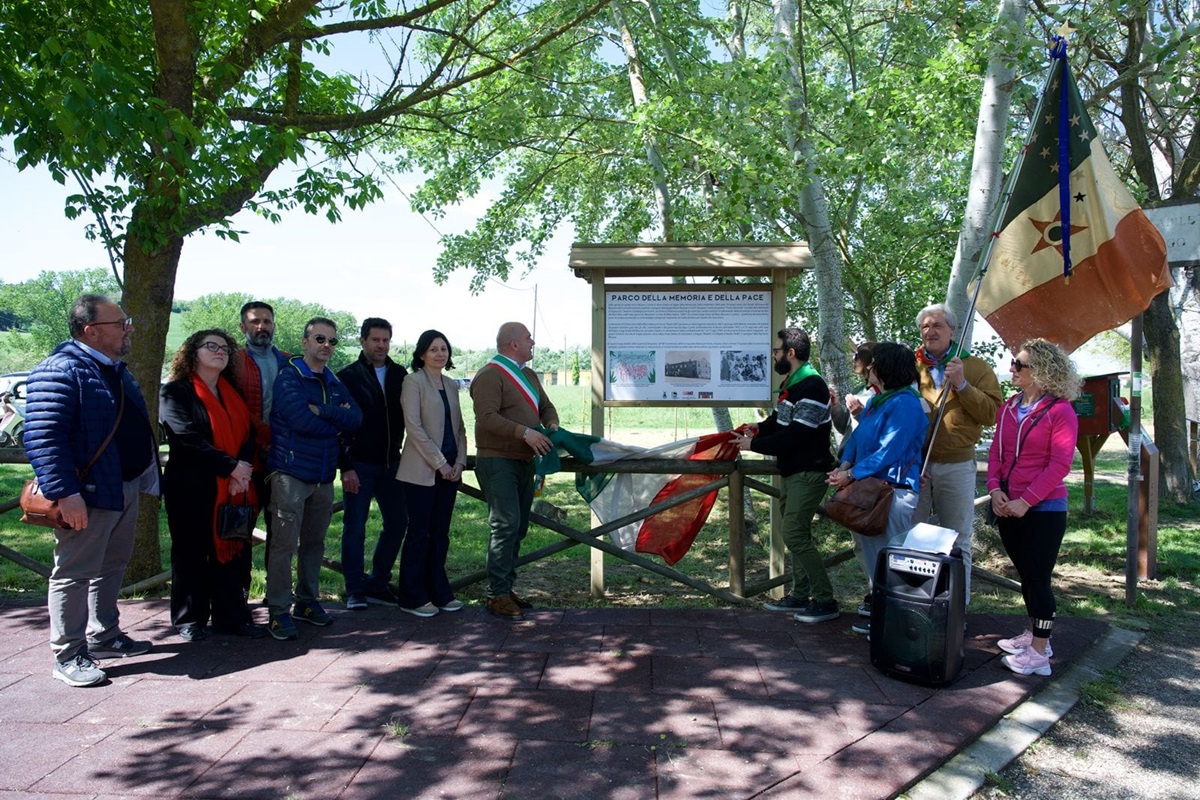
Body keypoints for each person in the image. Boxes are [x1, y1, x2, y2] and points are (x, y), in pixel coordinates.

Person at [24, 294, 159, 687]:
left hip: (123, 486)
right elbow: (44, 437)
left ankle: (105, 634)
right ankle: (68, 654)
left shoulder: (115, 369)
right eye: (120, 323)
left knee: (112, 565)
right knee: (74, 572)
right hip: (88, 492)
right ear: (91, 330)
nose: (128, 328)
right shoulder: (61, 370)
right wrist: (66, 494)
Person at [161, 330, 266, 640]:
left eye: (224, 348)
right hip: (191, 487)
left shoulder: (232, 392)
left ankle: (231, 617)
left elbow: (248, 434)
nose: (220, 352)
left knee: (233, 554)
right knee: (190, 553)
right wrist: (231, 467)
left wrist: (241, 471)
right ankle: (189, 620)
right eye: (212, 346)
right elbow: (186, 437)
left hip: (235, 486)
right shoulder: (175, 392)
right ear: (193, 353)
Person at [265, 317, 362, 640]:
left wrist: (326, 413)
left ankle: (307, 601)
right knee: (283, 545)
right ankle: (278, 610)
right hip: (291, 473)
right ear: (305, 341)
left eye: (332, 341)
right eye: (320, 339)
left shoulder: (333, 380)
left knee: (314, 544)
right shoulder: (289, 378)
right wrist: (335, 419)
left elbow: (356, 418)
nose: (327, 346)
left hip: (323, 475)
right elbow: (300, 420)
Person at [988, 339, 1080, 677]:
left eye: (1018, 364)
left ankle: (1040, 654)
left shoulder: (1061, 411)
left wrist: (1026, 501)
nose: (1011, 369)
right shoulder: (1009, 407)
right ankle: (1034, 634)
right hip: (1008, 506)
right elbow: (996, 456)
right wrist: (996, 491)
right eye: (1013, 362)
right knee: (1027, 577)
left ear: (1040, 371)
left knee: (1039, 579)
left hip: (1044, 508)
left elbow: (1059, 465)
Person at [733, 328, 839, 623]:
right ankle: (799, 594)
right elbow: (779, 421)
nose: (774, 356)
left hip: (808, 471)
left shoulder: (813, 385)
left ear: (790, 354)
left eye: (777, 351)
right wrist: (757, 429)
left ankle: (826, 599)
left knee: (794, 533)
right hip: (794, 471)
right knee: (797, 534)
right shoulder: (795, 382)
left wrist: (754, 444)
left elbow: (797, 435)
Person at [828, 342, 928, 638]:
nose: (867, 368)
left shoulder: (907, 402)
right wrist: (844, 463)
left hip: (893, 493)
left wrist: (850, 474)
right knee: (876, 561)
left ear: (885, 368)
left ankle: (898, 623)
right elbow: (859, 438)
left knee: (892, 560)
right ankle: (885, 617)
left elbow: (891, 451)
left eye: (872, 364)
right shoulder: (878, 401)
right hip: (872, 491)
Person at [913, 303, 1002, 608]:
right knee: (913, 537)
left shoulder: (974, 367)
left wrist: (962, 385)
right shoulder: (910, 365)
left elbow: (991, 413)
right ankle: (915, 605)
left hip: (957, 465)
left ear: (952, 329)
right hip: (917, 466)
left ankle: (956, 611)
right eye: (925, 326)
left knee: (957, 539)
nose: (930, 331)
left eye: (937, 325)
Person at [471, 321, 559, 620]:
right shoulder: (489, 374)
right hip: (498, 461)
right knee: (505, 525)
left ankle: (505, 588)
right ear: (513, 344)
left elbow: (546, 407)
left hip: (524, 461)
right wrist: (525, 433)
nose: (533, 341)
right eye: (528, 338)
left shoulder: (530, 375)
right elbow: (486, 418)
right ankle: (496, 594)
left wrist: (552, 426)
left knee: (518, 527)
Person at [336, 318, 408, 610]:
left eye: (385, 340)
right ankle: (355, 589)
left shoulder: (400, 375)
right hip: (360, 464)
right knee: (355, 527)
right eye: (375, 340)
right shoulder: (347, 377)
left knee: (398, 523)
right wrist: (346, 465)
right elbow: (338, 426)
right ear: (363, 341)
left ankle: (378, 583)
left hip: (393, 463)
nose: (381, 345)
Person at [396, 329, 468, 617]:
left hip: (451, 471)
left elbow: (460, 428)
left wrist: (459, 463)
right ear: (422, 353)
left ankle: (439, 591)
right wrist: (440, 463)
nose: (440, 353)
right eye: (433, 349)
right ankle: (411, 596)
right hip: (422, 471)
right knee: (419, 533)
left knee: (440, 534)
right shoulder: (412, 382)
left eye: (444, 348)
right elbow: (414, 428)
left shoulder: (451, 385)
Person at [237, 301, 288, 589]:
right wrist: (264, 434)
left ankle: (277, 594)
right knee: (240, 529)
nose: (261, 327)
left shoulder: (286, 361)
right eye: (255, 321)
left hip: (280, 458)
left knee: (280, 530)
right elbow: (237, 407)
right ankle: (239, 593)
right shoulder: (234, 361)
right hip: (245, 458)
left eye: (267, 321)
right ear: (243, 326)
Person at [828, 341, 878, 618]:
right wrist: (837, 406)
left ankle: (880, 594)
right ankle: (874, 590)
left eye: (857, 355)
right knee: (861, 540)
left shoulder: (891, 397)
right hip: (853, 473)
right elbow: (845, 429)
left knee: (875, 537)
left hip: (869, 476)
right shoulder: (863, 392)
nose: (851, 358)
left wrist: (861, 413)